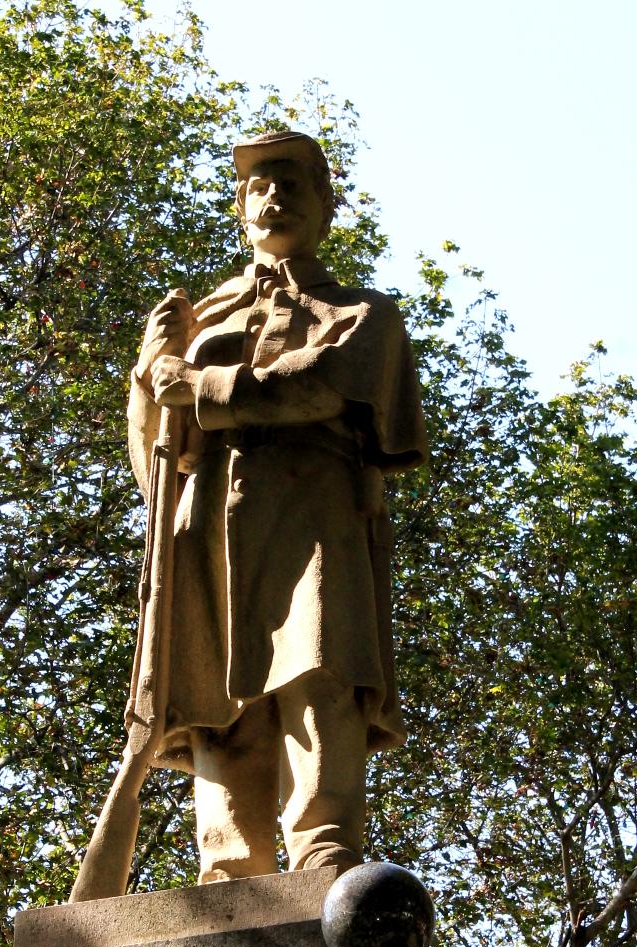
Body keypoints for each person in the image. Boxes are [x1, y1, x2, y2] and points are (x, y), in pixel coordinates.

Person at [126, 130, 426, 884]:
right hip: (209, 524)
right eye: (258, 185)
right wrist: (145, 377)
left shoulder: (364, 314)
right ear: (240, 209)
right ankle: (229, 870)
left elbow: (320, 384)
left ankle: (323, 849)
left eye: (292, 182)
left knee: (320, 669)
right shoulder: (204, 322)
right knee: (215, 694)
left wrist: (196, 386)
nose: (273, 195)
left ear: (326, 208)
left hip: (314, 514)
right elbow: (157, 463)